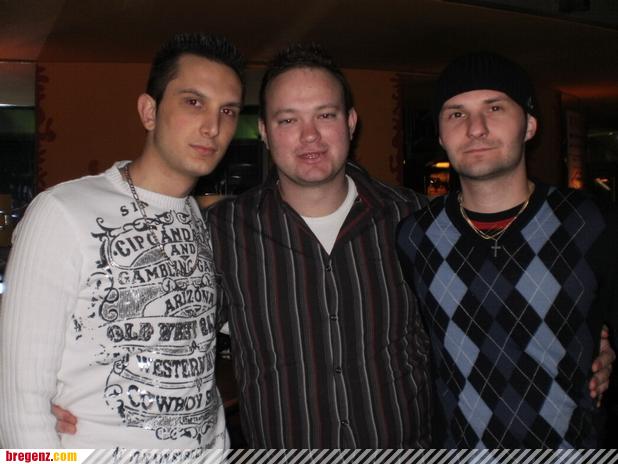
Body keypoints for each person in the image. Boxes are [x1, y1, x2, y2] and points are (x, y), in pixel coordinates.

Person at [0, 32, 244, 448]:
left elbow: (200, 361)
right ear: (149, 111)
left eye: (228, 111)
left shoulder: (204, 222)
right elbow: (19, 406)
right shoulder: (62, 212)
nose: (212, 126)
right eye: (193, 102)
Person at [206, 44, 433, 448]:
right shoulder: (223, 230)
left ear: (350, 122)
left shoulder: (416, 218)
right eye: (288, 119)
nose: (309, 135)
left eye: (325, 115)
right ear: (264, 131)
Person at [397, 51, 618, 448]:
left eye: (495, 108)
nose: (475, 128)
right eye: (456, 113)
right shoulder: (415, 237)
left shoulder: (593, 222)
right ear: (441, 135)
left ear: (529, 125)